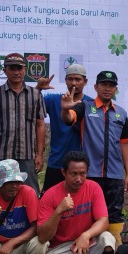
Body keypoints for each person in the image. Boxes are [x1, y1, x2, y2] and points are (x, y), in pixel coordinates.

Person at [61, 70, 128, 250]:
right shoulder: (86, 107)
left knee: (115, 214)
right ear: (96, 87)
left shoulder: (121, 113)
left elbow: (125, 144)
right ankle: (88, 250)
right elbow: (69, 119)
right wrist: (65, 109)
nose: (107, 89)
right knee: (89, 213)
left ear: (116, 89)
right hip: (91, 174)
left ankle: (114, 253)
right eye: (103, 85)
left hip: (115, 174)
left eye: (111, 85)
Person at [34, 151, 116, 254]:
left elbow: (103, 221)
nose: (79, 179)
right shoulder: (50, 195)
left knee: (108, 239)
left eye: (83, 174)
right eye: (73, 174)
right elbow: (43, 237)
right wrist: (58, 211)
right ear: (64, 172)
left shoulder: (93, 188)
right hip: (60, 247)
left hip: (87, 242)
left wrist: (86, 235)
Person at [0, 53, 46, 194]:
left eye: (19, 68)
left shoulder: (35, 94)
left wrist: (39, 154)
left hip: (27, 154)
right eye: (12, 68)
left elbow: (40, 125)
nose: (16, 72)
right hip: (0, 154)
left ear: (25, 70)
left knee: (30, 194)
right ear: (4, 70)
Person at [35, 63, 93, 192]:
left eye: (78, 79)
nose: (74, 83)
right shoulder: (53, 100)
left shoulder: (92, 104)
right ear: (65, 80)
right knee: (49, 201)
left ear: (85, 81)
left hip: (80, 165)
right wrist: (38, 89)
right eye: (70, 79)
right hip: (57, 161)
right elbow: (30, 105)